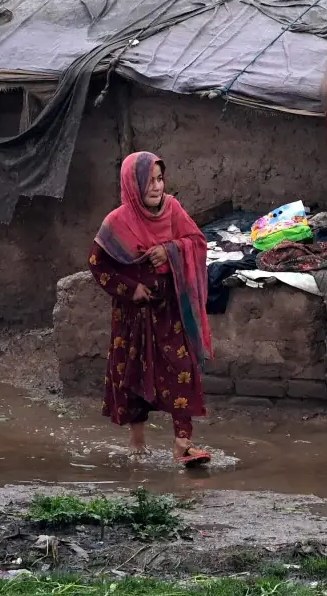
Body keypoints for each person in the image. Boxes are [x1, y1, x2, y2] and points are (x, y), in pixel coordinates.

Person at [88, 151, 214, 466]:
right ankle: (137, 445)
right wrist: (131, 289)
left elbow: (197, 242)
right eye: (149, 181)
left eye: (160, 179)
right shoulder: (116, 222)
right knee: (133, 374)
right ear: (133, 185)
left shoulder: (173, 210)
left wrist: (169, 251)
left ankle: (183, 445)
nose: (157, 187)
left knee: (182, 370)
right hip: (133, 315)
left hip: (169, 311)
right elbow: (97, 264)